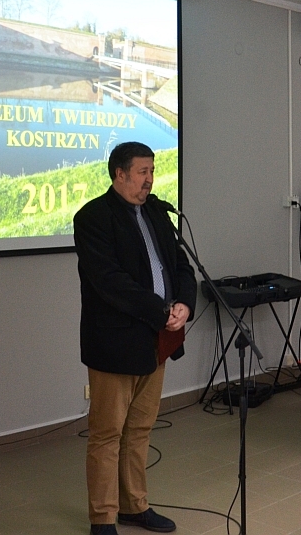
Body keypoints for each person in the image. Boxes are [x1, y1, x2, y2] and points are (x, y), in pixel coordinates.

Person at [73, 141, 197, 535]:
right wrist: (160, 310)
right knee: (107, 434)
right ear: (119, 174)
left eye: (152, 171)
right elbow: (110, 282)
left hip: (156, 341)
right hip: (113, 343)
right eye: (142, 172)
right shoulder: (92, 217)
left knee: (140, 429)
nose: (150, 180)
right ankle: (103, 518)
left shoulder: (158, 213)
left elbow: (181, 265)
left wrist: (184, 306)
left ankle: (134, 507)